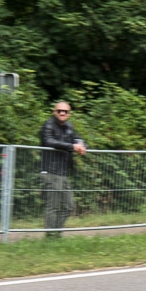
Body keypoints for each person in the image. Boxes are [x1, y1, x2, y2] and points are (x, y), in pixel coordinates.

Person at [39, 101, 87, 237]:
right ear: (54, 112)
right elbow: (49, 141)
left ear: (69, 114)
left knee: (69, 206)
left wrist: (82, 146)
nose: (62, 113)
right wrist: (72, 147)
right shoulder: (48, 125)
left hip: (64, 171)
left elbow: (78, 139)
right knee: (52, 206)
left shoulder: (69, 127)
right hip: (51, 170)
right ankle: (50, 236)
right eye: (59, 110)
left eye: (65, 111)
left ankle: (56, 232)